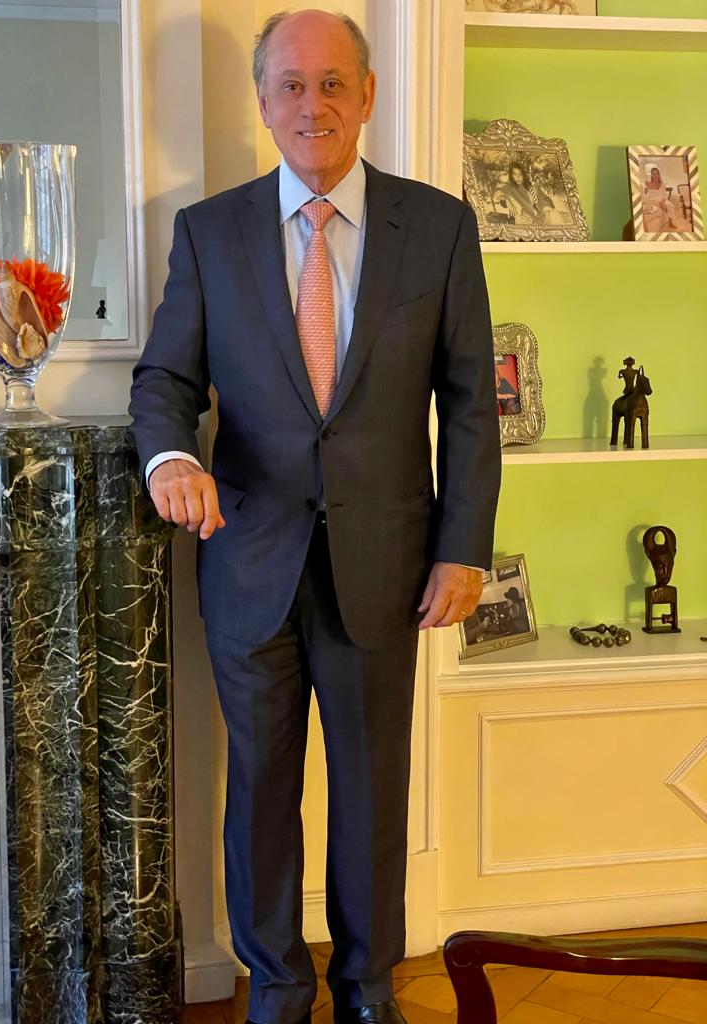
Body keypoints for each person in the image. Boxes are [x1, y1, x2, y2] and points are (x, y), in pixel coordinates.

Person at [129, 11, 501, 1024]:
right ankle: (278, 990)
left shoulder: (439, 227)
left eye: (333, 83)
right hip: (248, 561)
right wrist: (169, 456)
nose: (312, 104)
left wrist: (464, 548)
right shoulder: (209, 232)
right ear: (263, 101)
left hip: (388, 563)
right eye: (291, 85)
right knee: (260, 793)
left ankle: (368, 988)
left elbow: (472, 404)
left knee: (373, 791)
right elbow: (164, 380)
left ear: (367, 95)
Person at [495, 161, 555, 225]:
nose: (518, 177)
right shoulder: (509, 188)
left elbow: (545, 199)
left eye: (520, 174)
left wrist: (547, 215)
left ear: (523, 176)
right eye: (515, 174)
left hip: (541, 220)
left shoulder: (533, 188)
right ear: (511, 176)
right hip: (524, 222)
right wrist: (507, 201)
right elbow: (498, 192)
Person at [642, 165, 677, 232]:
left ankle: (670, 222)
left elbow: (665, 194)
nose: (655, 175)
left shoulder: (662, 183)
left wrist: (662, 202)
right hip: (652, 200)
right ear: (651, 174)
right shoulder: (647, 183)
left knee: (670, 205)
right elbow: (647, 195)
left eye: (656, 173)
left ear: (658, 174)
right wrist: (658, 203)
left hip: (661, 199)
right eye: (653, 173)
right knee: (661, 206)